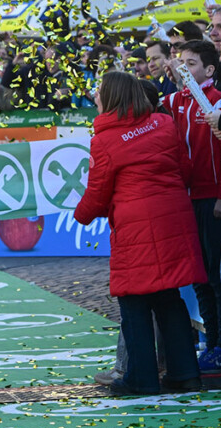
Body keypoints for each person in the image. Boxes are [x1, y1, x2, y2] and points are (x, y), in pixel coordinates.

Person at [75, 70, 206, 395]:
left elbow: (97, 194)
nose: (95, 96)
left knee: (133, 303)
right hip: (174, 218)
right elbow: (185, 168)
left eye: (99, 91)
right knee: (169, 297)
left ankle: (141, 378)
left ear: (112, 97)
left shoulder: (103, 140)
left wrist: (82, 216)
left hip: (136, 228)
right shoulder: (163, 124)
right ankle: (185, 374)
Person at [162, 39, 221, 372]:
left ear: (209, 70)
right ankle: (210, 341)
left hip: (214, 201)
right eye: (181, 63)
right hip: (188, 200)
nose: (185, 69)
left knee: (220, 275)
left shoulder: (217, 101)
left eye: (191, 64)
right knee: (200, 276)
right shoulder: (177, 101)